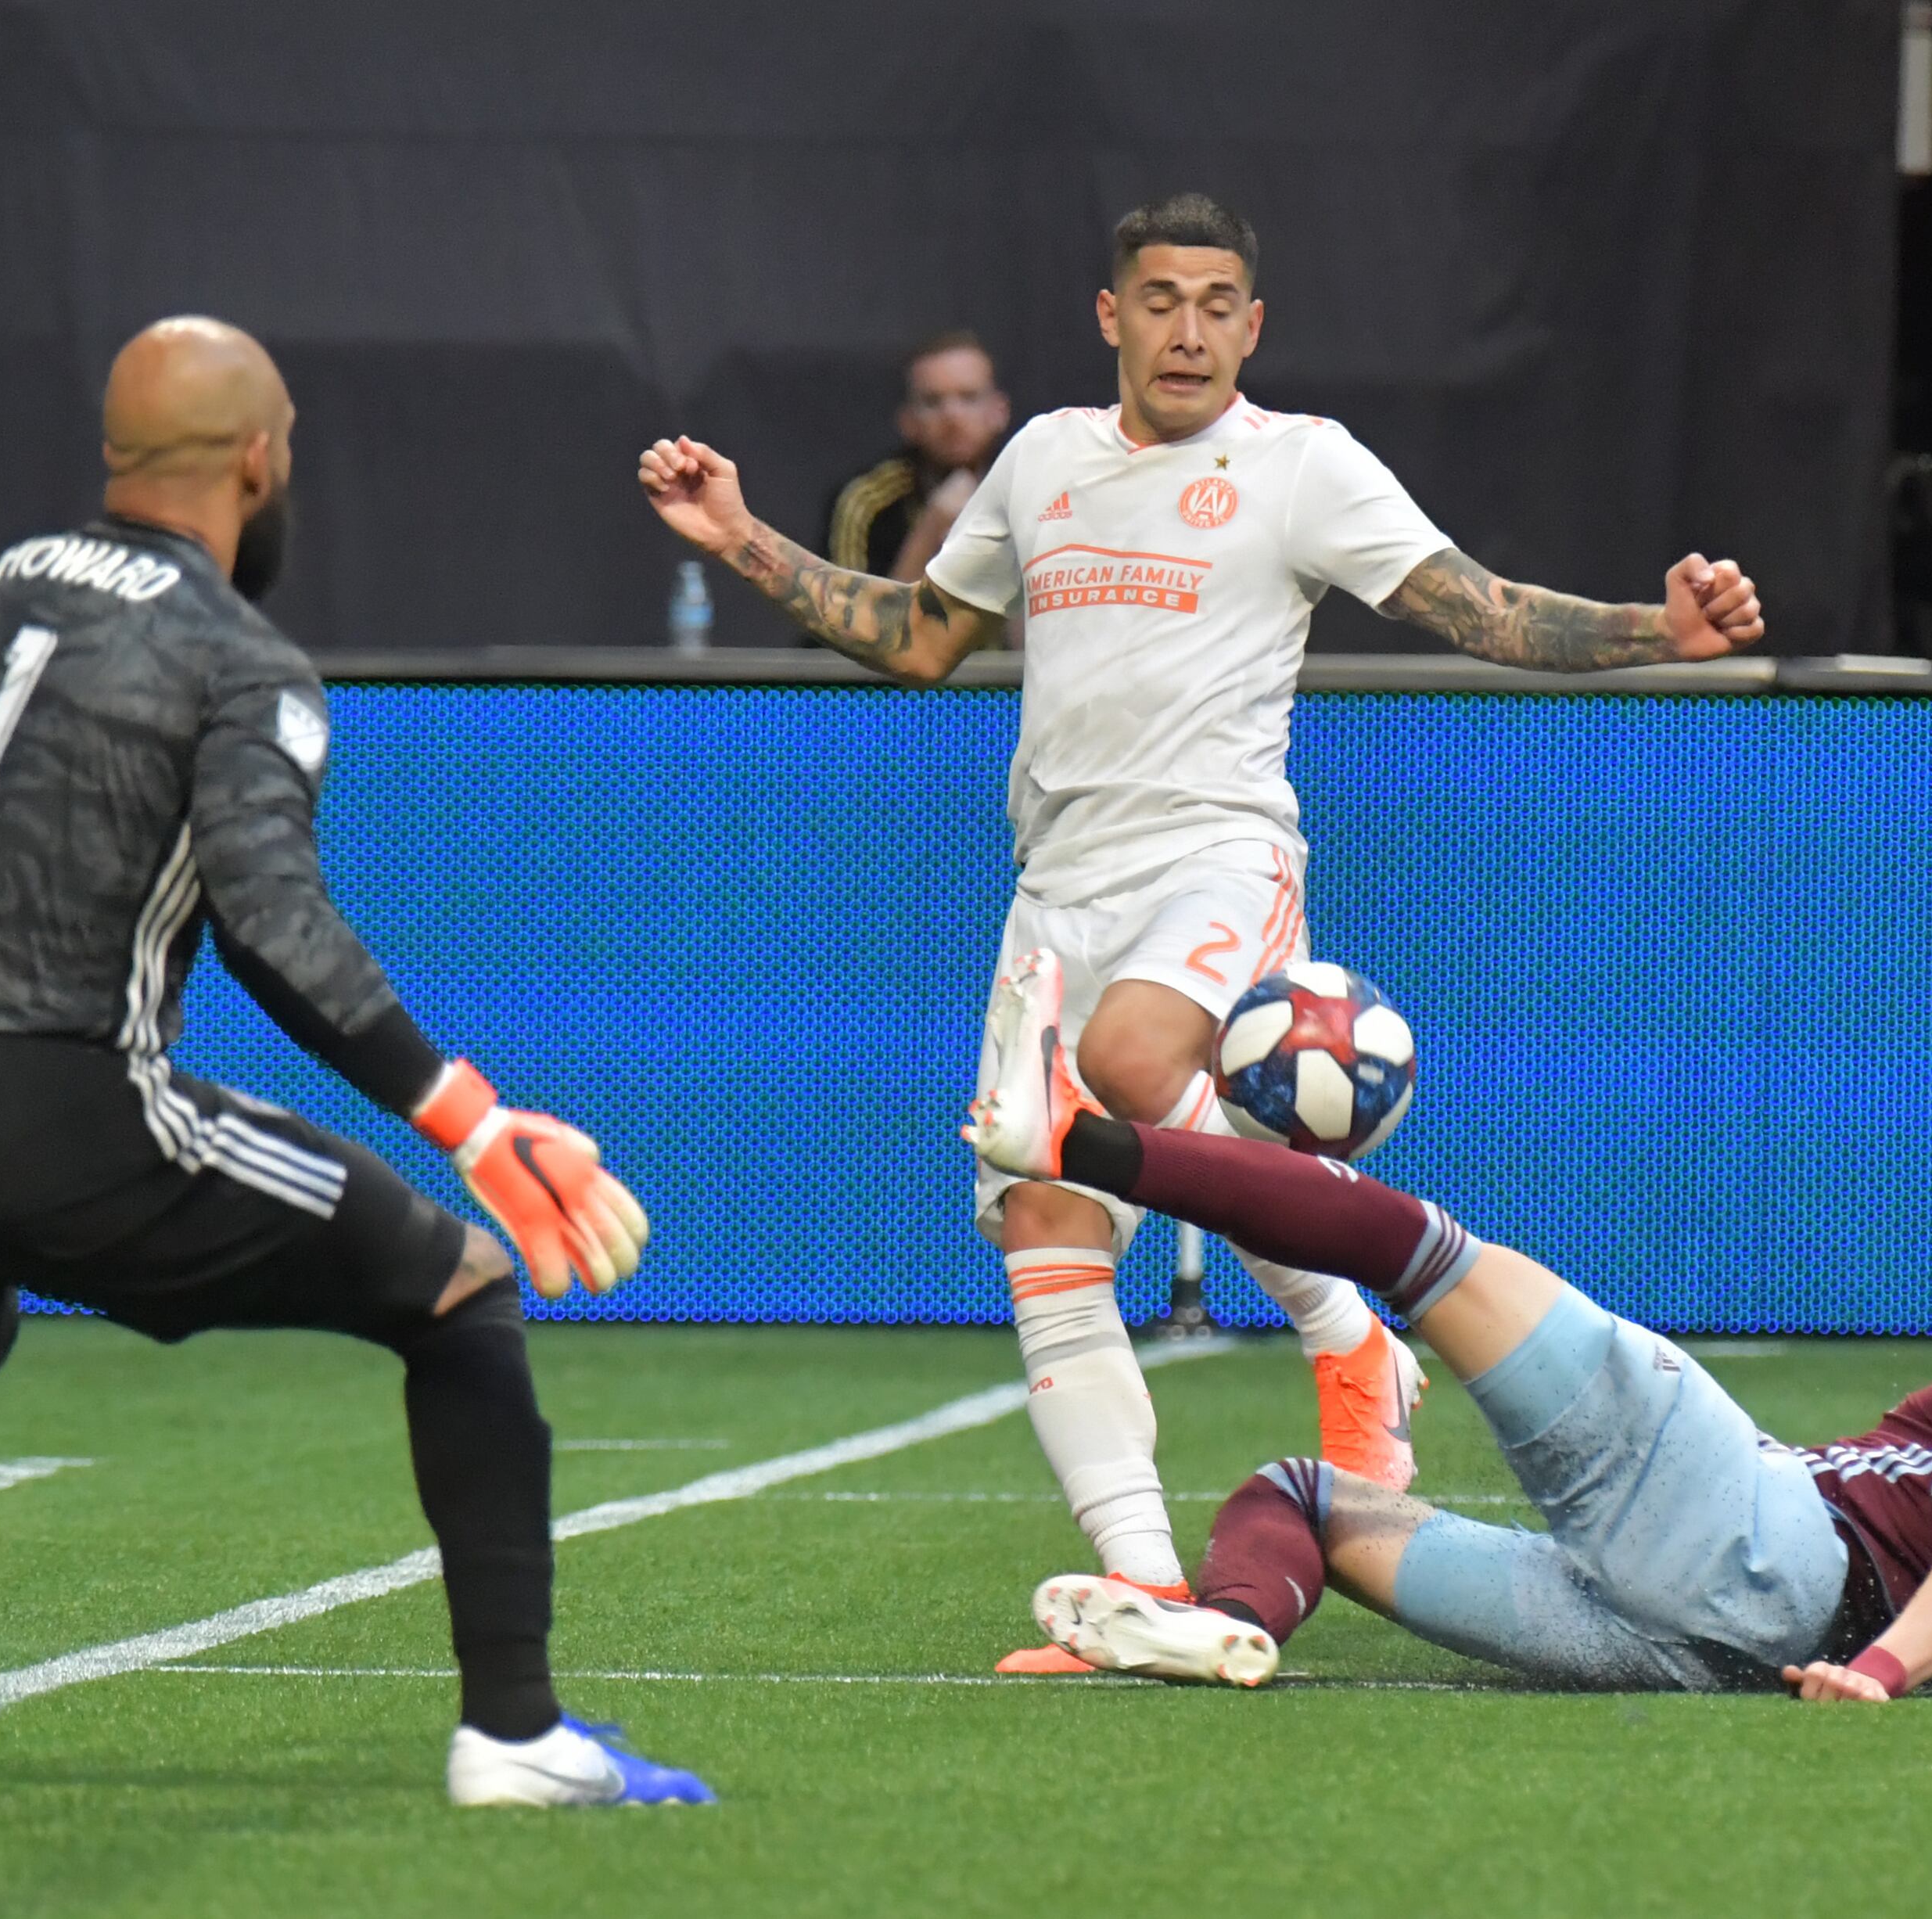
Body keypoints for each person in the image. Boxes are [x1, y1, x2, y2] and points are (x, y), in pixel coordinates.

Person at [639, 192, 1765, 1671]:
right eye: (1161, 300)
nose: (1188, 329)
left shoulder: (1301, 465)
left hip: (1219, 856)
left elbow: (1478, 609)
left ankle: (1344, 1325)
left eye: (1217, 303)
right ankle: (1151, 1594)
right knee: (1046, 1224)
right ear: (1112, 315)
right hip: (1057, 887)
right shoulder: (1044, 457)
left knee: (1130, 1060)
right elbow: (921, 637)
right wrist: (739, 537)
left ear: (1253, 324)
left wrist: (1656, 631)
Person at [0, 316, 710, 1806]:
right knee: (460, 1289)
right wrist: (472, 1118)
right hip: (60, 1114)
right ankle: (516, 1735)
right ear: (257, 458)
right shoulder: (244, 660)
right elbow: (272, 922)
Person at [966, 951, 1932, 1696]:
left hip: (1761, 1548)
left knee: (1415, 1247)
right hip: (1695, 1646)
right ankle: (1227, 1628)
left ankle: (1075, 1139)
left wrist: (1879, 1673)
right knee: (1301, 1499)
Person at [825, 331, 1011, 583]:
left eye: (969, 398)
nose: (952, 416)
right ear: (908, 421)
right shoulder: (867, 501)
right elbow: (843, 606)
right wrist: (930, 530)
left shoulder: (1030, 488)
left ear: (999, 411)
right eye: (932, 402)